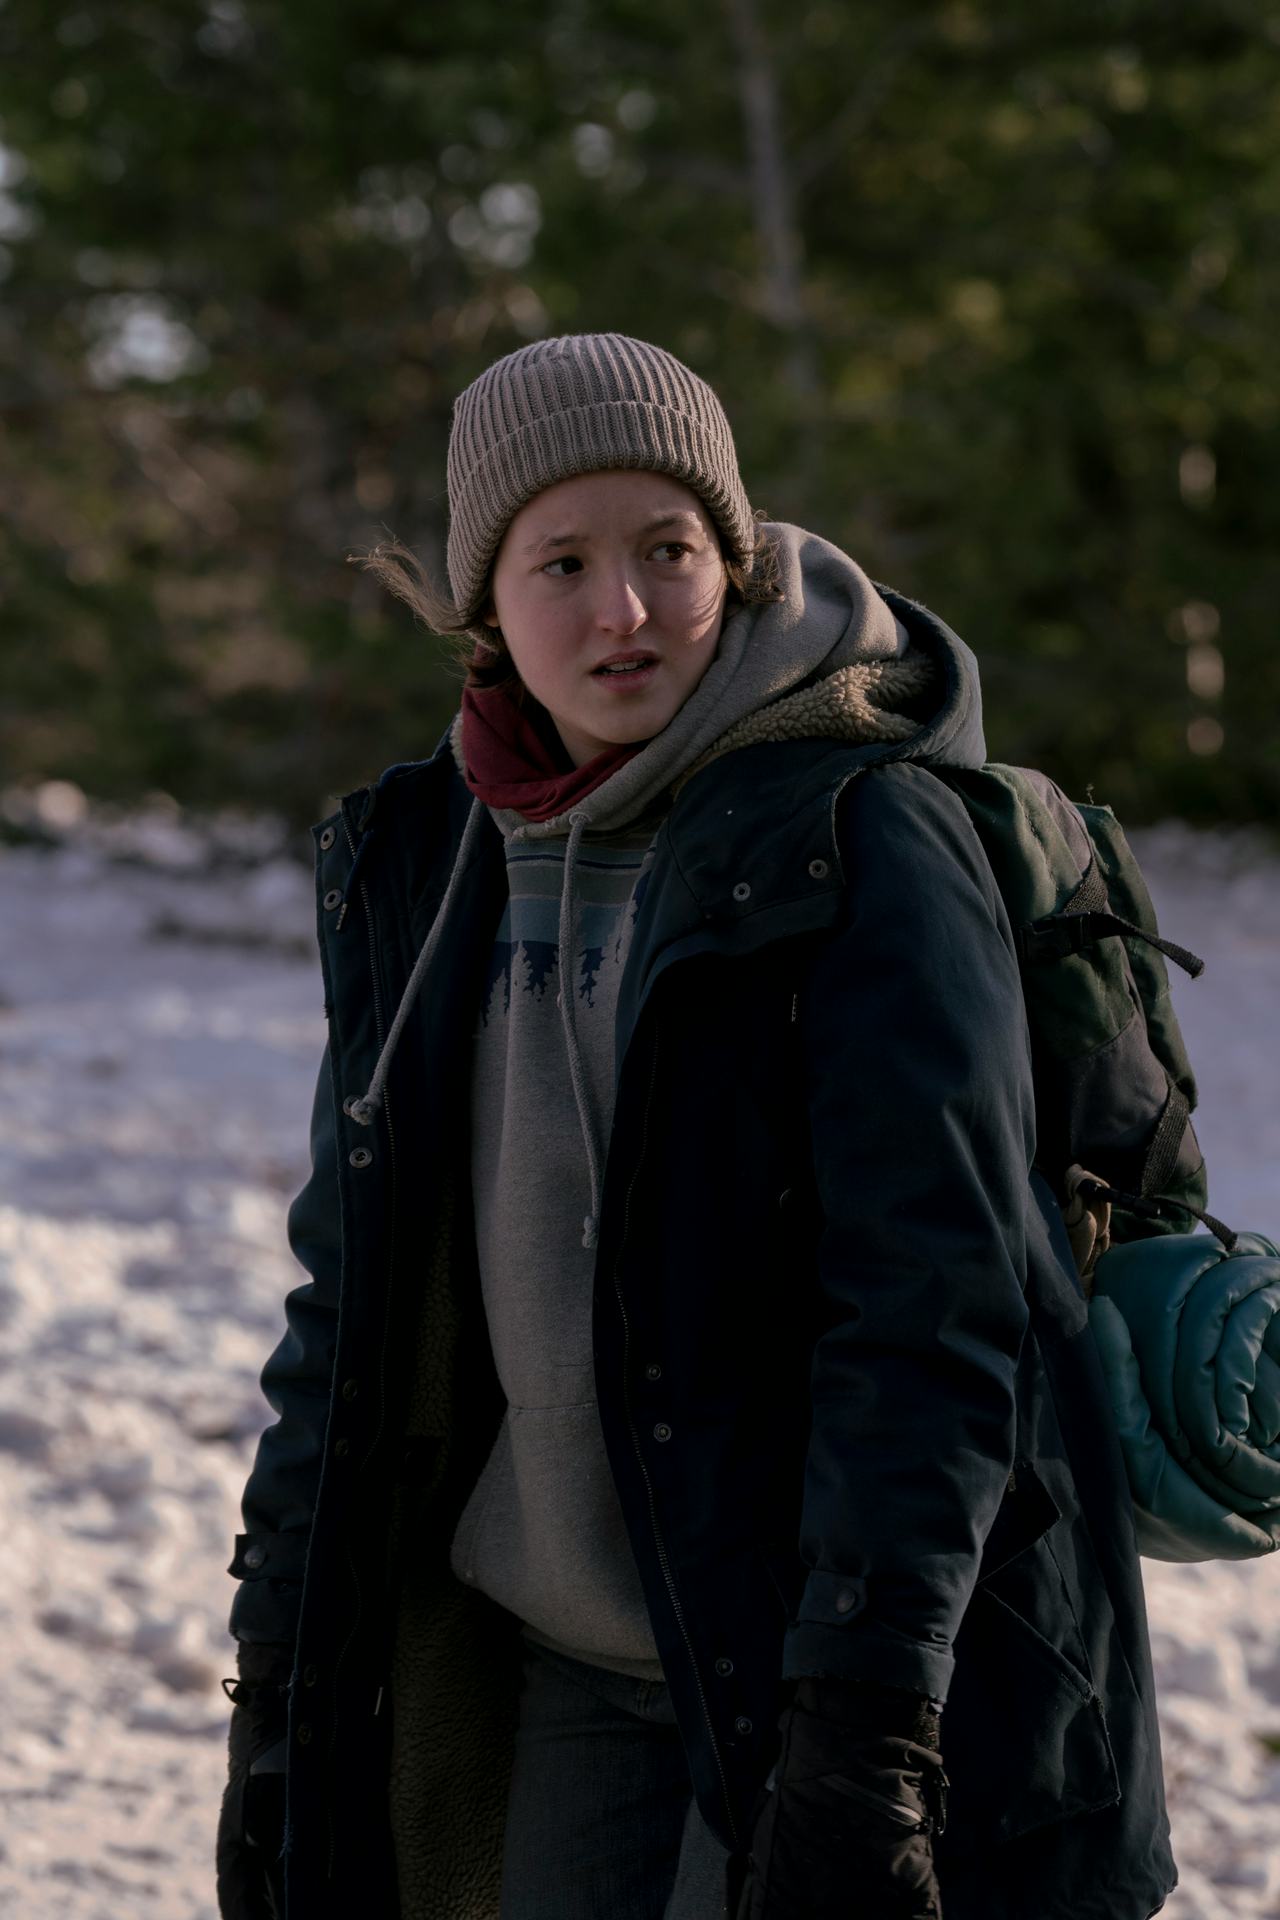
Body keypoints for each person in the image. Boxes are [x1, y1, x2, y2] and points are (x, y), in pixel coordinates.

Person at [217, 333, 1177, 1920]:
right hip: (575, 1663)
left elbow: (940, 1308)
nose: (625, 610)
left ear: (732, 562)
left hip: (839, 1669)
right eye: (563, 562)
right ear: (483, 602)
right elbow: (352, 1303)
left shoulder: (863, 829)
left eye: (668, 551)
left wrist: (870, 1722)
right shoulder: (427, 861)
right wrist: (276, 1679)